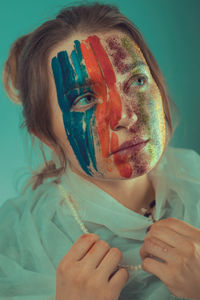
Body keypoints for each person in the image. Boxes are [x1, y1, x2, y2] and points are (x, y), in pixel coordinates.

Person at [1, 2, 200, 299]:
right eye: (85, 99)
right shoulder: (11, 245)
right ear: (45, 136)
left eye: (136, 80)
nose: (126, 115)